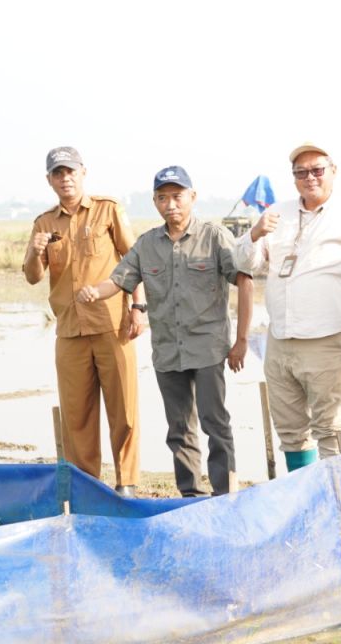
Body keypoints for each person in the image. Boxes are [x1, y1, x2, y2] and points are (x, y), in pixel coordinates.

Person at [78, 166, 253, 497]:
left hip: (207, 348)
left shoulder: (215, 237)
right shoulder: (147, 245)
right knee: (178, 428)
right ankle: (190, 494)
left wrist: (241, 341)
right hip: (168, 351)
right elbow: (119, 280)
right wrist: (93, 292)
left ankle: (224, 495)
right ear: (155, 202)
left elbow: (244, 279)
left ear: (192, 197)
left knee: (215, 423)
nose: (171, 204)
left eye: (177, 197)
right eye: (163, 198)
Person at [232, 142, 341, 471]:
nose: (309, 177)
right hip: (280, 340)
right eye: (301, 172)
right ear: (293, 177)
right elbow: (246, 264)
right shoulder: (275, 214)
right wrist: (254, 234)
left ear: (333, 172)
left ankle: (336, 500)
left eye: (317, 170)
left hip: (329, 337)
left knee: (332, 428)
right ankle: (305, 500)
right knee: (291, 430)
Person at [23, 146, 147, 496]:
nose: (65, 179)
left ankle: (127, 484)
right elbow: (33, 276)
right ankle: (87, 487)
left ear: (83, 173)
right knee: (76, 416)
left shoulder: (108, 210)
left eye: (70, 172)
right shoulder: (44, 223)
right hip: (69, 329)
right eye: (58, 173)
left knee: (124, 409)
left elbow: (134, 259)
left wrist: (139, 308)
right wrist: (35, 250)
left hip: (112, 325)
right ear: (49, 180)